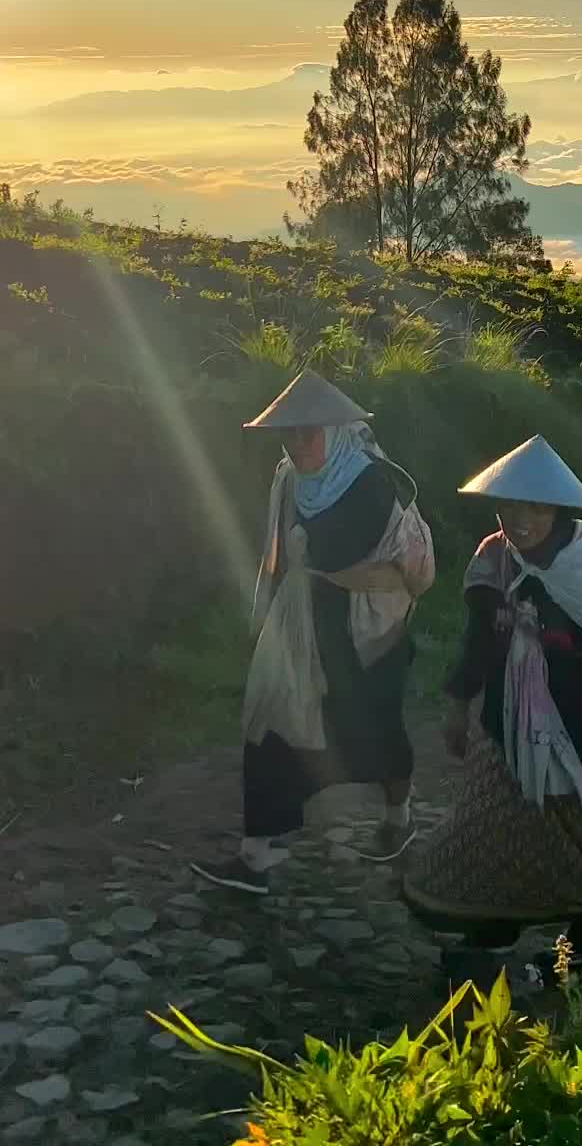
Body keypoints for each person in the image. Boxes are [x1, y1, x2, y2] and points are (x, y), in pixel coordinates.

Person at [402, 434, 582, 978]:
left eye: (536, 507)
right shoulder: (493, 560)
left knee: (570, 836)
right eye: (511, 505)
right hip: (502, 720)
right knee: (489, 823)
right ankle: (490, 932)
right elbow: (477, 639)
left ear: (558, 510)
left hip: (574, 729)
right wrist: (457, 703)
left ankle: (581, 945)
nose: (521, 519)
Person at [192, 369, 434, 895]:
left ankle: (399, 816)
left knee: (376, 730)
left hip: (368, 629)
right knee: (271, 719)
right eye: (290, 434)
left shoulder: (371, 482)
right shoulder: (291, 479)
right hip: (304, 620)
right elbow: (283, 549)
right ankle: (258, 852)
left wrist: (308, 553)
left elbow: (343, 551)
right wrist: (270, 610)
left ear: (335, 430)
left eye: (309, 432)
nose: (299, 445)